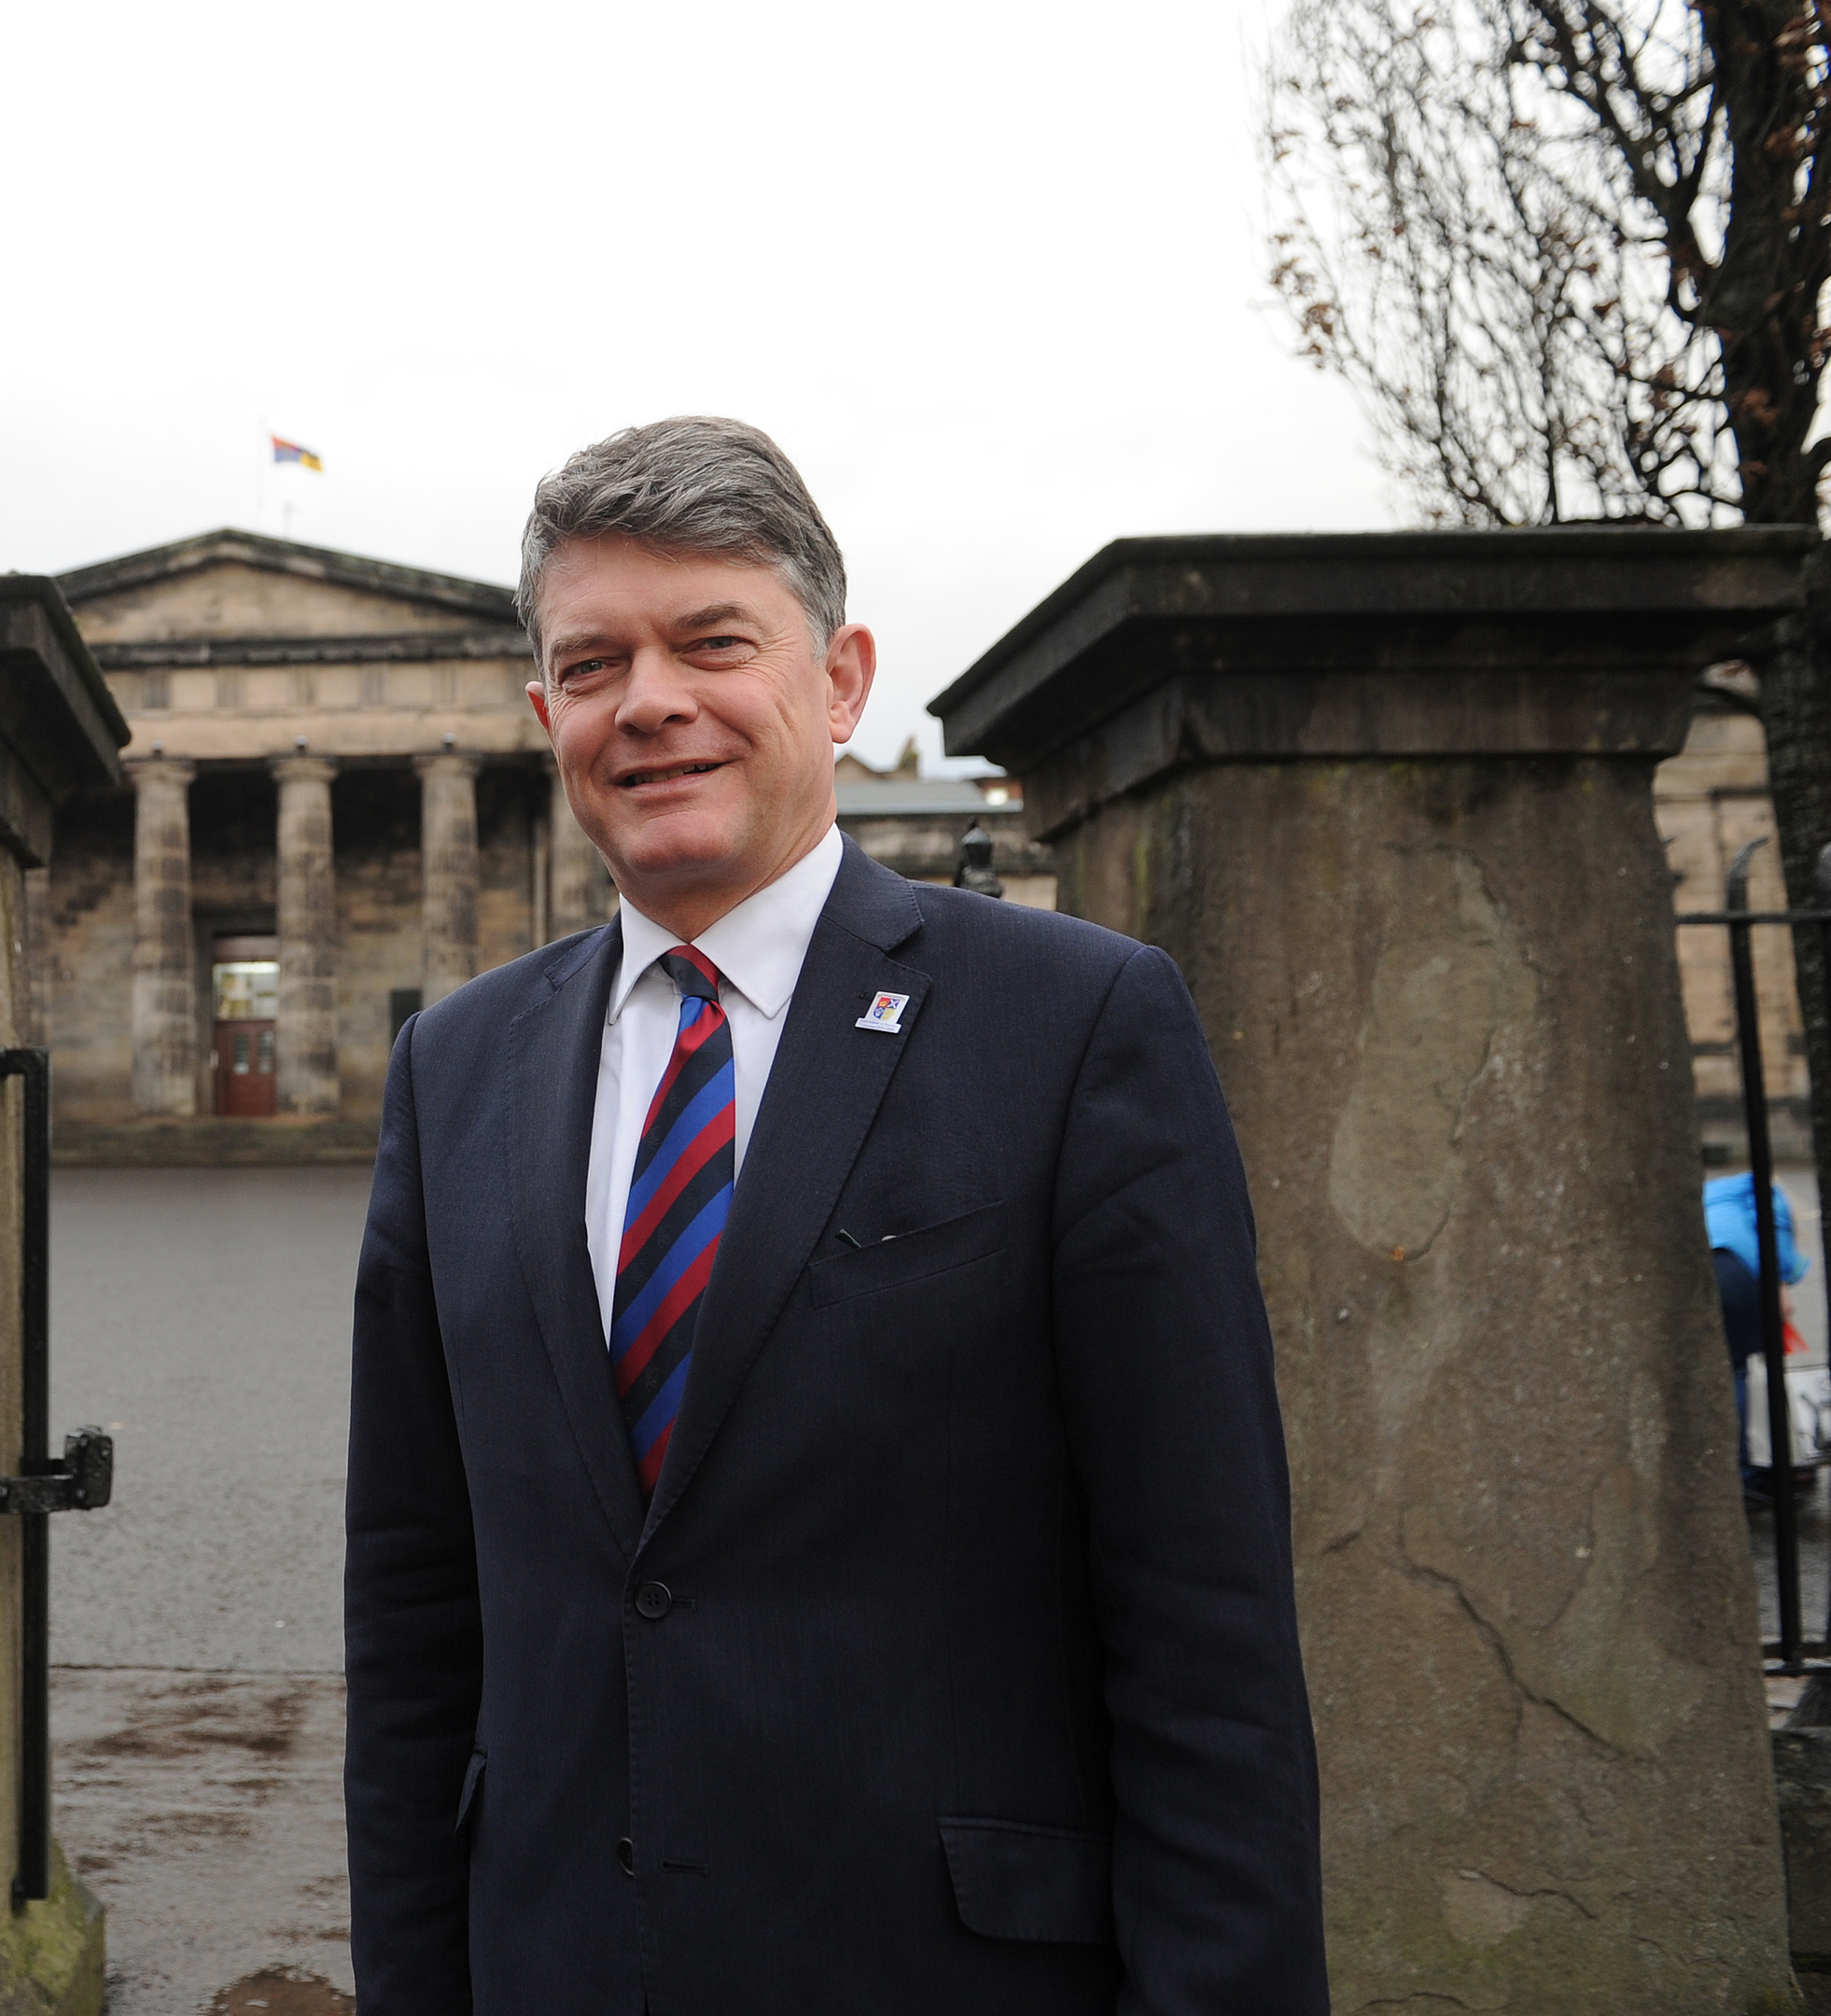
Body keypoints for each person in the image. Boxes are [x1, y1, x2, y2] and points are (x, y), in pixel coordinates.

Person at [342, 417, 1328, 2013]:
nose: (649, 701)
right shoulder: (453, 1070)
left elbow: (1203, 1628)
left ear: (842, 679)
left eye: (711, 642)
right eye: (594, 665)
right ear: (547, 716)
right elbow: (410, 1609)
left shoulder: (1074, 1024)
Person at [1704, 1169, 1810, 1499]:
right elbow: (1772, 1225)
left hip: (1703, 1268)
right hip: (1736, 1273)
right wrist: (1779, 1281)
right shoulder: (1761, 1186)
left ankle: (1722, 1465)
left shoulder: (1713, 1194)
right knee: (1736, 1368)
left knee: (1717, 1367)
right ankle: (1745, 1471)